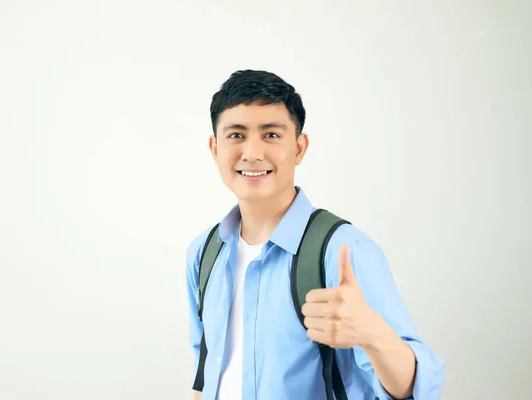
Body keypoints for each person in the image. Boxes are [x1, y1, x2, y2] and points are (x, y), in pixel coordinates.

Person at [185, 69, 445, 400]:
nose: (252, 153)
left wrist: (373, 334)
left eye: (271, 135)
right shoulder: (204, 252)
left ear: (299, 147)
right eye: (236, 135)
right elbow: (204, 376)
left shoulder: (342, 250)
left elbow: (417, 389)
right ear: (214, 148)